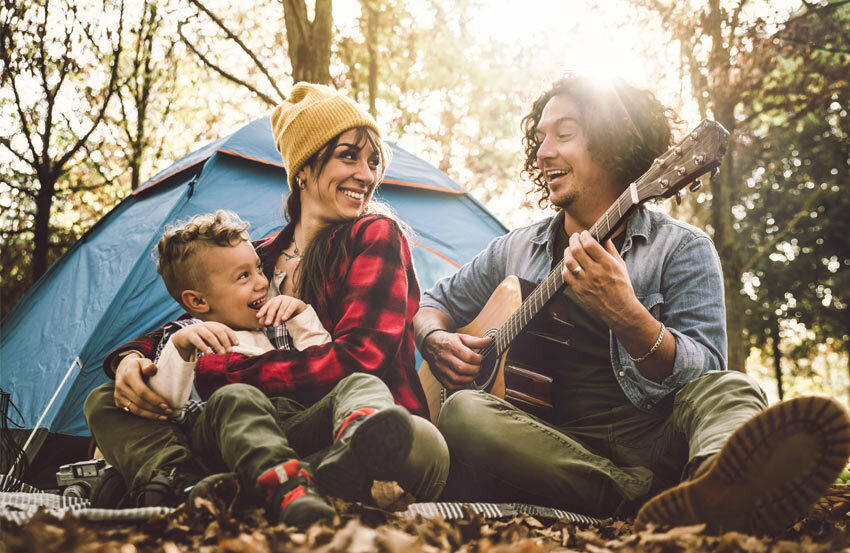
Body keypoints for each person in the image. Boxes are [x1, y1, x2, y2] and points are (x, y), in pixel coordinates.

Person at [413, 74, 850, 534]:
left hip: (656, 440)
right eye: (540, 138)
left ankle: (713, 478)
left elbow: (704, 373)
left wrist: (629, 316)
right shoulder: (515, 249)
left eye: (564, 134)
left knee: (733, 389)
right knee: (463, 412)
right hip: (550, 448)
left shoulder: (681, 248)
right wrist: (435, 336)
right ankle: (671, 501)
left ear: (614, 145)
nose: (543, 152)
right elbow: (430, 302)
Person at [85, 83, 449, 525]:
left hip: (347, 427)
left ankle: (241, 482)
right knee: (106, 399)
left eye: (374, 161)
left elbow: (362, 360)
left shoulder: (372, 235)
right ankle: (200, 478)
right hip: (251, 426)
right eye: (349, 156)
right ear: (303, 168)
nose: (367, 175)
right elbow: (193, 321)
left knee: (420, 443)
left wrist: (222, 373)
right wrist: (129, 362)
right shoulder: (256, 258)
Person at [148, 210, 332, 412]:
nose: (262, 282)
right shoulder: (186, 338)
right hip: (227, 430)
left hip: (292, 422)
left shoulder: (276, 327)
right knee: (235, 398)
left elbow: (325, 368)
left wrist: (300, 316)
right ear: (198, 301)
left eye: (259, 268)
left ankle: (357, 427)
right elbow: (160, 403)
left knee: (357, 384)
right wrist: (179, 349)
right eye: (243, 276)